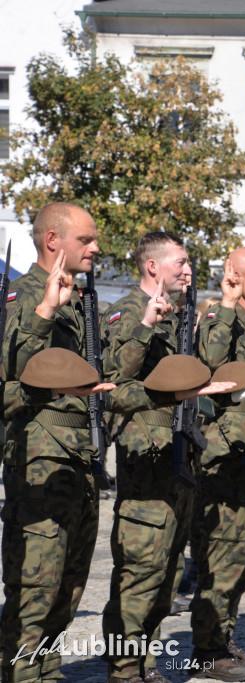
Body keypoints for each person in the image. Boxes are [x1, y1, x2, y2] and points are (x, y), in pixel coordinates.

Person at [101, 231, 234, 683]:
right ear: (152, 267)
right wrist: (145, 325)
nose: (187, 268)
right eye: (178, 261)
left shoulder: (179, 317)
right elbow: (113, 384)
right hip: (146, 460)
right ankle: (124, 669)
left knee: (167, 574)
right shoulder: (126, 313)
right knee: (140, 574)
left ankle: (147, 664)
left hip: (180, 457)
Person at [0, 203, 115, 682]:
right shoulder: (19, 298)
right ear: (53, 241)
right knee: (33, 596)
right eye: (85, 240)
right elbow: (11, 379)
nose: (95, 248)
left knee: (66, 594)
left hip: (81, 466)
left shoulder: (82, 301)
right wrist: (46, 310)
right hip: (40, 469)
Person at [190, 248, 245, 679]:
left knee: (241, 559)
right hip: (224, 456)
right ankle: (206, 651)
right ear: (235, 278)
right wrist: (225, 304)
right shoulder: (217, 319)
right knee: (221, 558)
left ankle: (222, 639)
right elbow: (208, 361)